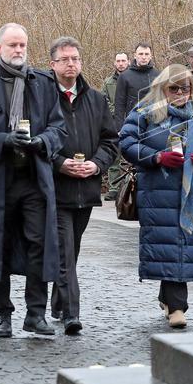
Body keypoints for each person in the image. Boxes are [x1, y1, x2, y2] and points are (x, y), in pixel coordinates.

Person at [0, 22, 67, 338]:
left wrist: (41, 143)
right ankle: (3, 313)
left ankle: (36, 313)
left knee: (39, 243)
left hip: (33, 178)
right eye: (13, 46)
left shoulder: (43, 82)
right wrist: (4, 140)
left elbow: (59, 129)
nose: (19, 51)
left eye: (23, 45)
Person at [119, 64, 193, 328]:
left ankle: (170, 299)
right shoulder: (145, 113)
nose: (180, 93)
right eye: (174, 88)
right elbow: (127, 143)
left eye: (186, 87)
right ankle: (177, 307)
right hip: (158, 191)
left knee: (183, 246)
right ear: (162, 88)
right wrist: (157, 157)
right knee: (168, 244)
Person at [48, 37, 118, 335]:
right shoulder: (43, 97)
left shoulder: (96, 98)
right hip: (56, 189)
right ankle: (71, 314)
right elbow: (36, 140)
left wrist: (97, 165)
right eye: (64, 59)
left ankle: (57, 301)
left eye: (75, 58)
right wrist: (60, 162)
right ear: (53, 64)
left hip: (86, 190)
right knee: (64, 252)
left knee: (72, 250)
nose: (71, 64)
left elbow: (110, 140)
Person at [102, 51, 129, 201]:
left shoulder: (133, 79)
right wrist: (116, 112)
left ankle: (132, 185)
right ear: (115, 63)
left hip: (133, 120)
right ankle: (113, 187)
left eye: (123, 60)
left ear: (129, 62)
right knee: (115, 155)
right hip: (114, 123)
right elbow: (104, 101)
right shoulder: (108, 82)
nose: (121, 63)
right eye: (118, 61)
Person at [114, 41, 158, 128]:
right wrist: (120, 128)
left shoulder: (158, 75)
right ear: (135, 55)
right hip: (132, 123)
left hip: (154, 123)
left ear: (151, 56)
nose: (144, 57)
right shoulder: (124, 76)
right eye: (141, 54)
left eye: (146, 54)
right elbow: (119, 105)